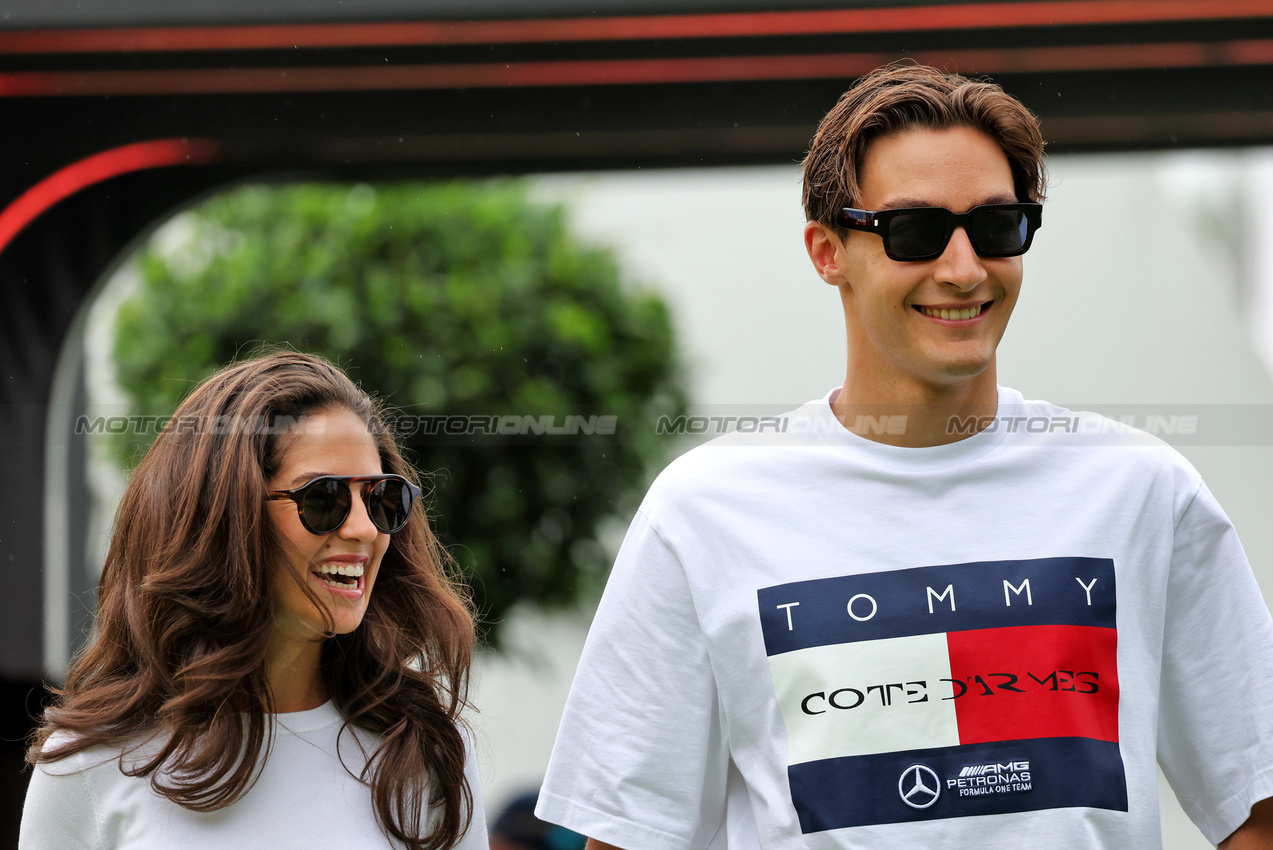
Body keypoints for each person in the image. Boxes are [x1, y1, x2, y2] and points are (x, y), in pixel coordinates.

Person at [534, 64, 1273, 848]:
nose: (961, 268)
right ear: (826, 252)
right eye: (915, 231)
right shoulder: (702, 510)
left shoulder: (1141, 491)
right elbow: (627, 834)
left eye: (996, 228)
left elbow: (1255, 805)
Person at [21, 351, 488, 849]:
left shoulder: (427, 748)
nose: (364, 528)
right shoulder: (89, 768)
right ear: (225, 519)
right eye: (324, 498)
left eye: (380, 497)